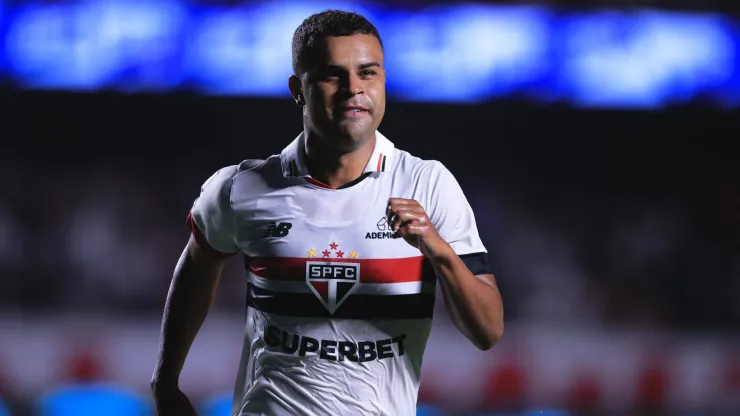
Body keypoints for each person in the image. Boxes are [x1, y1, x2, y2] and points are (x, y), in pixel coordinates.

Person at [151, 9, 504, 416]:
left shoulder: (427, 185)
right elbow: (196, 266)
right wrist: (166, 380)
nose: (353, 89)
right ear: (297, 89)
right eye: (332, 75)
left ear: (384, 81)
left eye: (368, 73)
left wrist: (438, 250)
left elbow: (488, 331)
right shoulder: (240, 188)